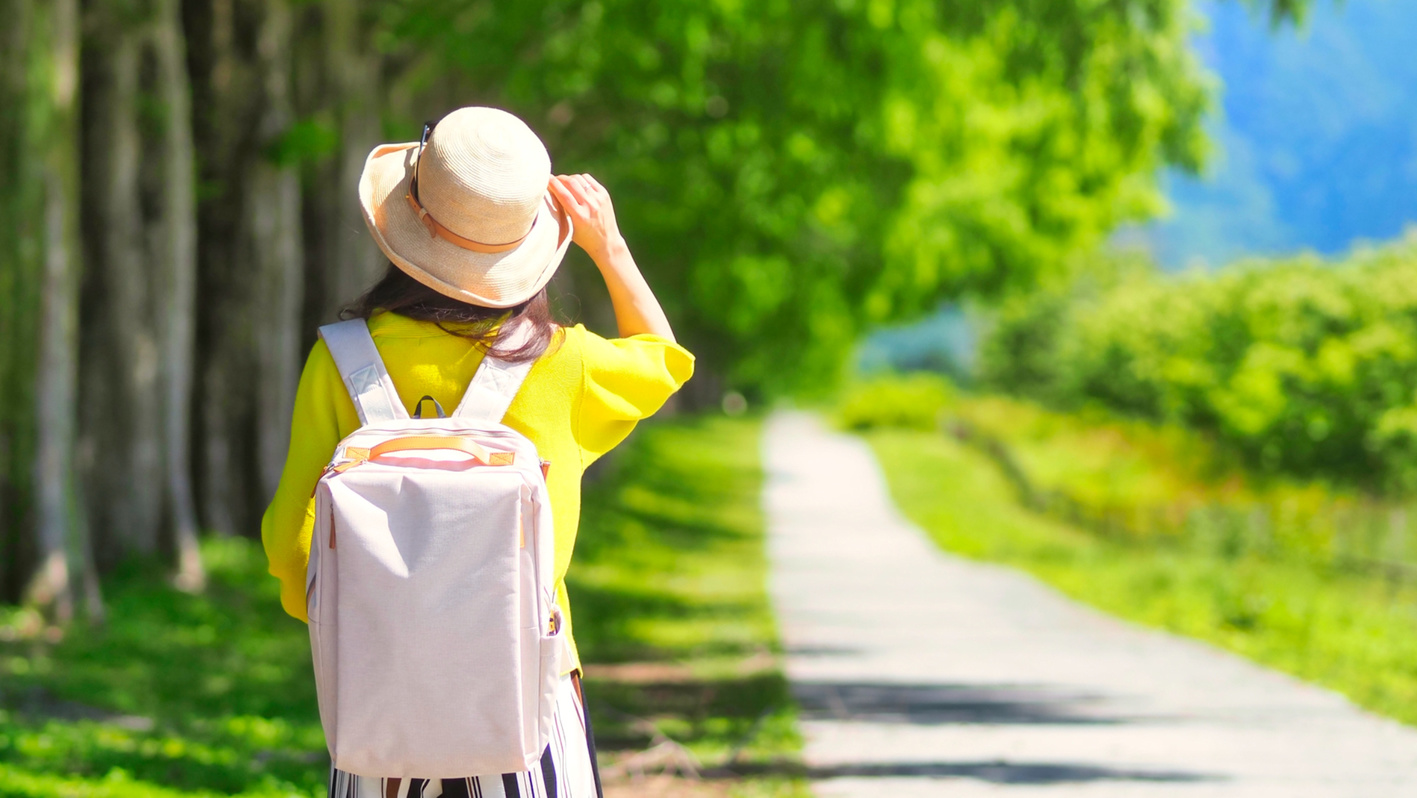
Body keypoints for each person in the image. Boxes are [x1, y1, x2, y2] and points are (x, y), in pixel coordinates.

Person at [260, 106, 693, 798]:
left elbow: (290, 542)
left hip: (381, 709)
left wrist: (383, 615)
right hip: (529, 697)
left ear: (406, 214)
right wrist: (609, 246)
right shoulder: (565, 364)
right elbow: (662, 362)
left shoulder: (340, 360)